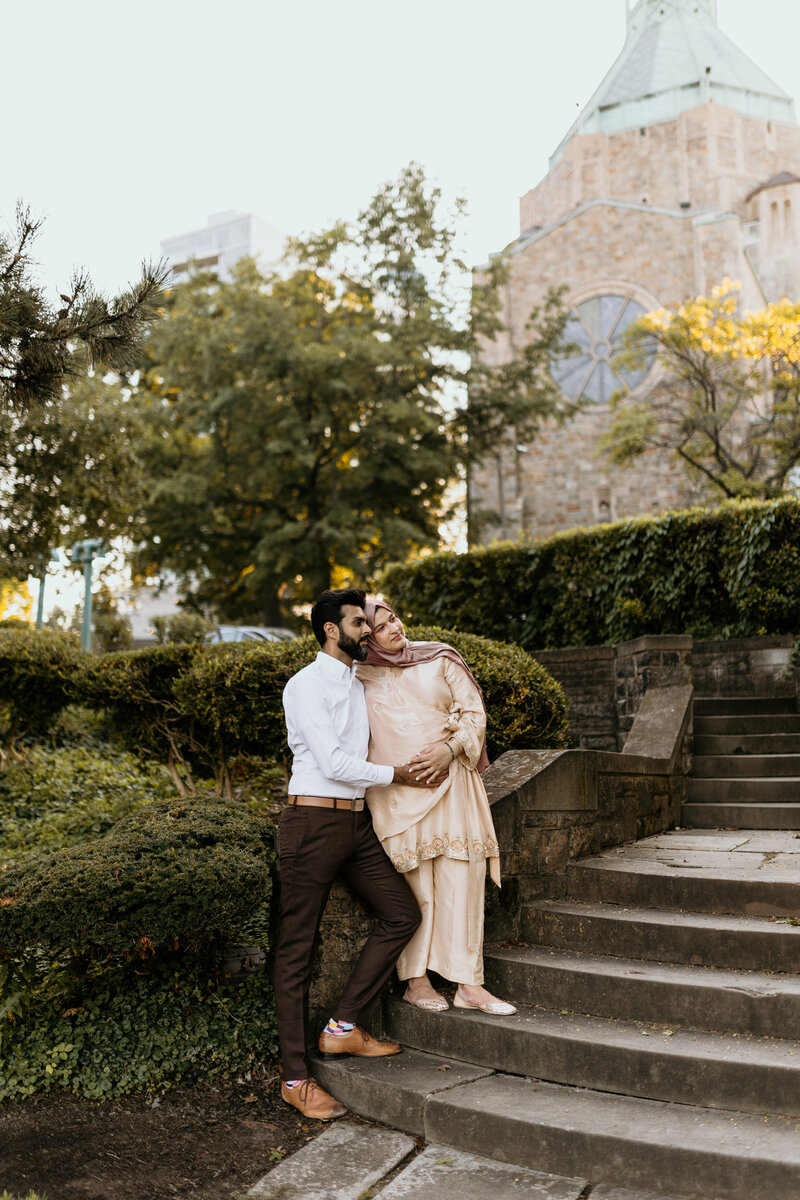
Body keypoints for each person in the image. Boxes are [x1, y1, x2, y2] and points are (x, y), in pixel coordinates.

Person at [274, 587, 431, 1121]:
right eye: (358, 623)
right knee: (296, 951)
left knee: (402, 912)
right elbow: (335, 760)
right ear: (330, 631)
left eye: (369, 622)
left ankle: (342, 1028)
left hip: (356, 823)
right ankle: (295, 1080)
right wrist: (398, 775)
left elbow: (411, 657)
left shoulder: (359, 682)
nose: (368, 630)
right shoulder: (304, 685)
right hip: (312, 825)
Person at [357, 598, 517, 1016]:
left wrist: (449, 749)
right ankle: (416, 981)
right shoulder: (356, 676)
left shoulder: (440, 657)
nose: (395, 626)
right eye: (381, 625)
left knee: (463, 879)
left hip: (452, 784)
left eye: (394, 617)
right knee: (415, 886)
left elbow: (474, 713)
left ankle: (470, 984)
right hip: (395, 796)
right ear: (364, 636)